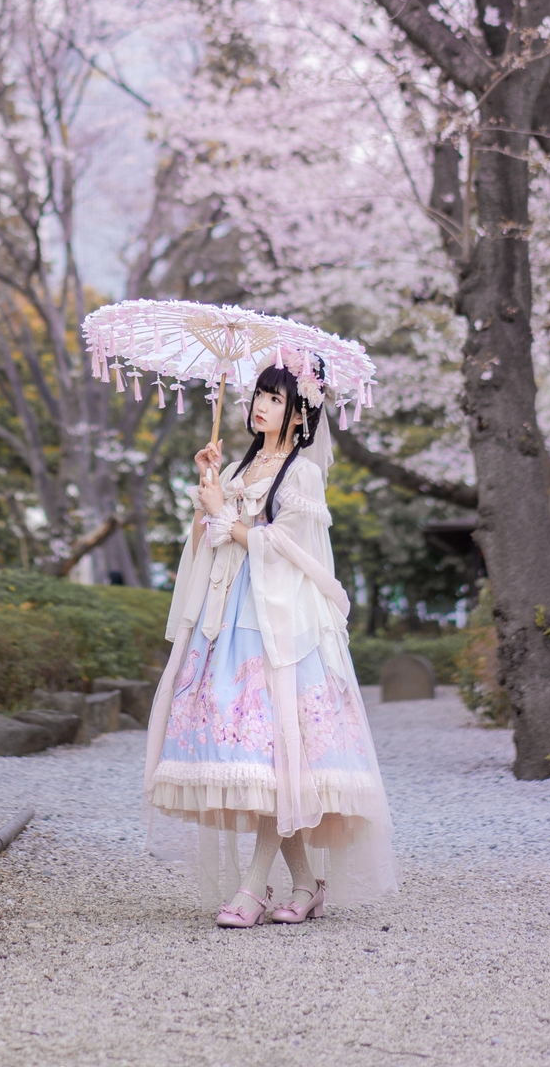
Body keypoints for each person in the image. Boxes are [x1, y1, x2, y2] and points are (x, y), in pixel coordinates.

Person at [144, 351, 397, 925]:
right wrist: (210, 486)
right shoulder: (236, 469)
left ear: (300, 409)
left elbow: (290, 550)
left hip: (278, 624)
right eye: (259, 394)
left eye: (276, 398)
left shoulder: (301, 473)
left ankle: (253, 888)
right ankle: (305, 885)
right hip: (228, 616)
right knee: (260, 763)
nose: (260, 405)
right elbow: (205, 544)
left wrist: (226, 519)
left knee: (276, 759)